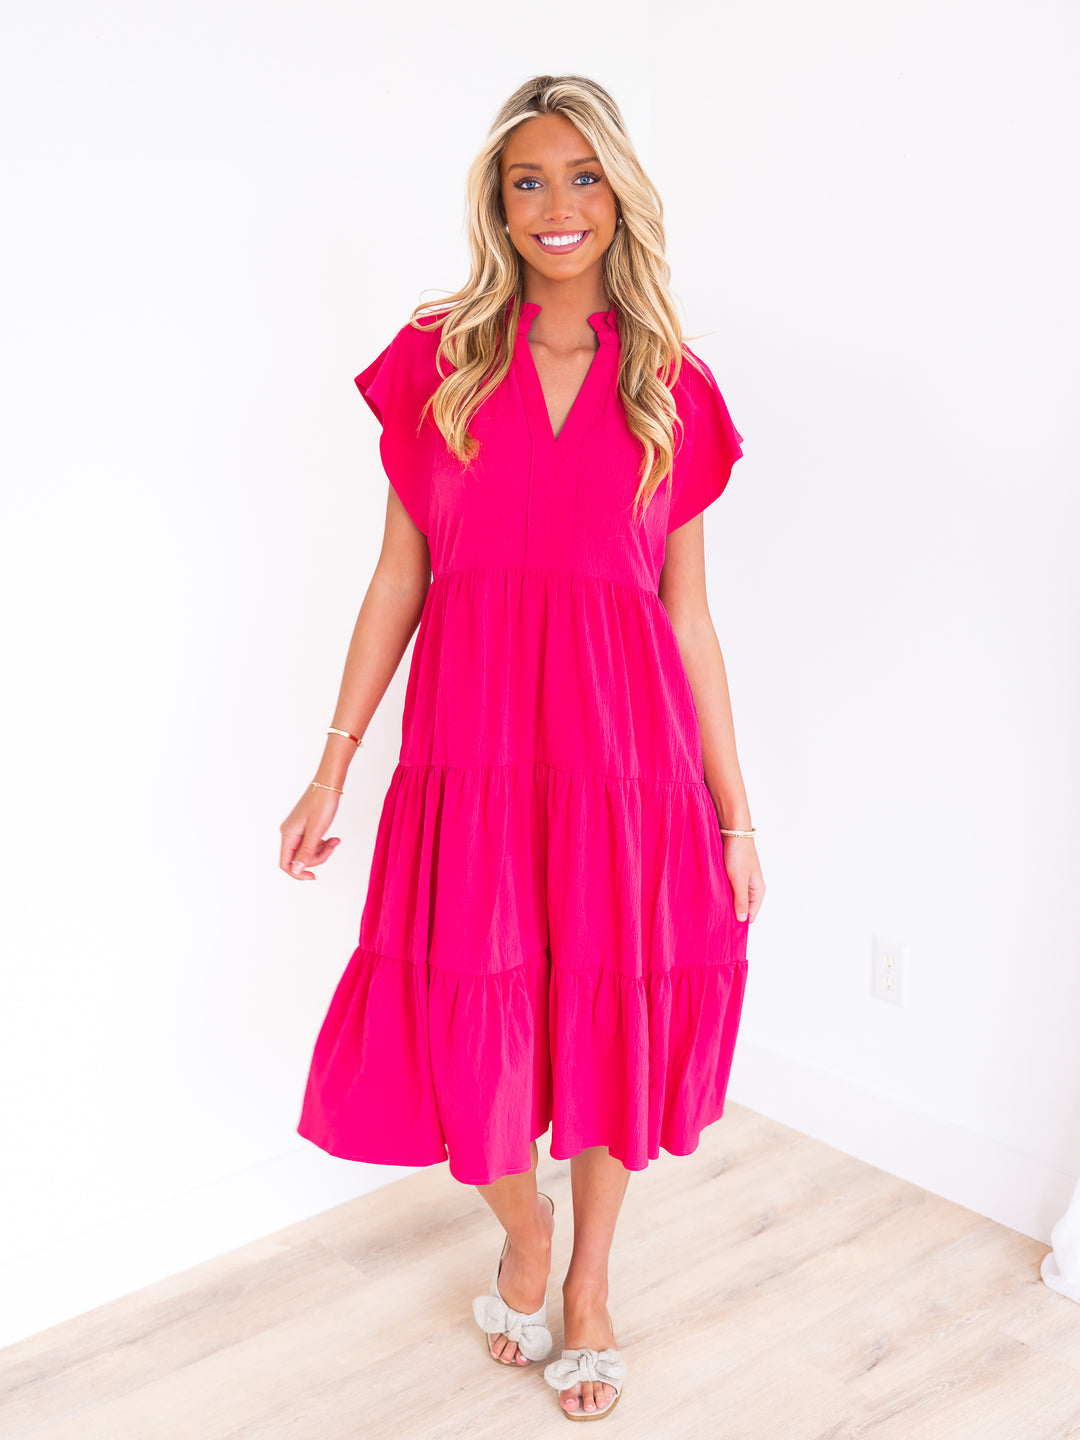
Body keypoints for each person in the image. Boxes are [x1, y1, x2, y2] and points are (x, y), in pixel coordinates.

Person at [280, 73, 766, 1422]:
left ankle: (592, 1284)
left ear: (621, 195)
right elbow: (399, 579)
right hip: (473, 758)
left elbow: (688, 620)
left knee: (612, 1023)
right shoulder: (439, 360)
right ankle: (526, 1226)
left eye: (583, 176)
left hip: (627, 769)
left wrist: (735, 814)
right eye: (528, 180)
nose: (558, 205)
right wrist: (332, 763)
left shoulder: (671, 384)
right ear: (497, 205)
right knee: (462, 1011)